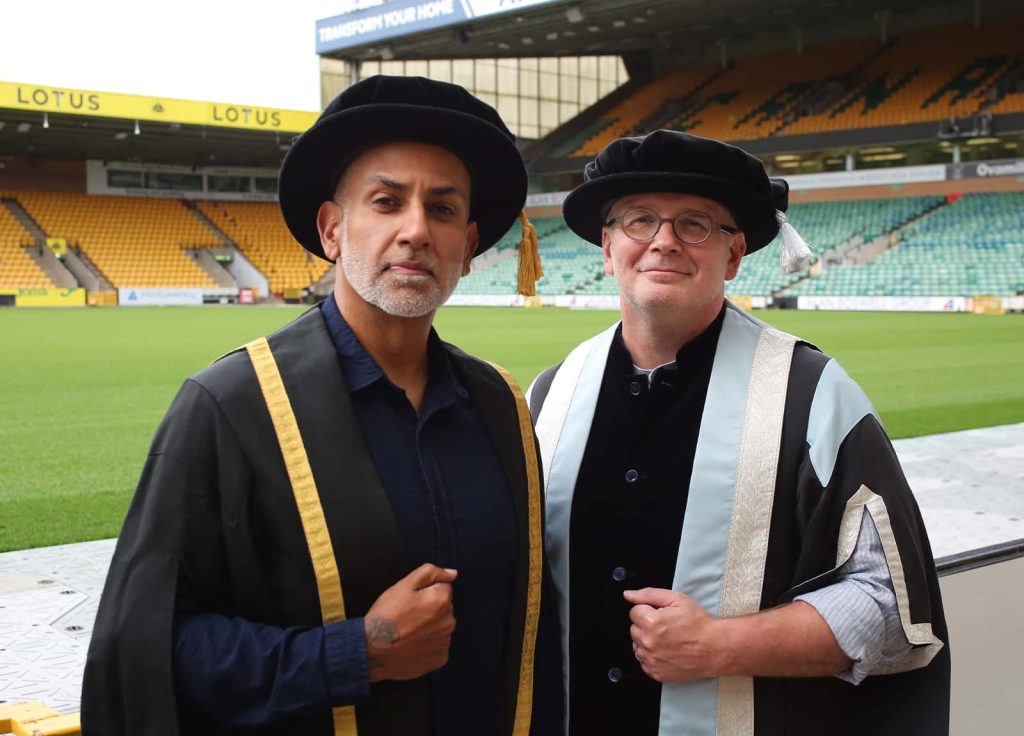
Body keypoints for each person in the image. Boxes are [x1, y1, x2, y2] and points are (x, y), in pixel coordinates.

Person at [82, 75, 561, 736]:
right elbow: (146, 648)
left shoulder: (501, 408)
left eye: (443, 210)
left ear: (470, 246)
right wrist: (353, 655)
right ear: (333, 229)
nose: (416, 230)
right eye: (387, 201)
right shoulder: (230, 407)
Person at [527, 130, 949, 735]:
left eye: (695, 224)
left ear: (733, 254)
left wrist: (721, 645)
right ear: (607, 245)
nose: (664, 241)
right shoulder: (551, 394)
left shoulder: (811, 393)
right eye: (640, 220)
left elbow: (892, 608)